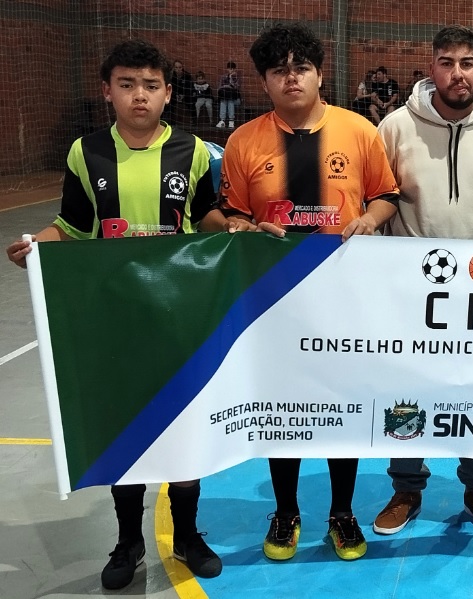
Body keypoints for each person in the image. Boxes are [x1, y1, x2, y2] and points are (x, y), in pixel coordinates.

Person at [5, 38, 225, 591]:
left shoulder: (194, 151)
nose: (139, 95)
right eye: (127, 85)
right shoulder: (86, 152)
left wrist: (238, 229)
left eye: (151, 85)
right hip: (116, 319)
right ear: (108, 92)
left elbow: (207, 216)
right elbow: (74, 226)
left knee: (183, 427)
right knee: (125, 432)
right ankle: (128, 541)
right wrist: (37, 244)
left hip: (179, 316)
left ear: (168, 92)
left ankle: (187, 534)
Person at [219, 22, 400, 562]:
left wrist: (370, 219)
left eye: (301, 68)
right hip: (274, 301)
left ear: (320, 74)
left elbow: (386, 195)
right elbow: (230, 213)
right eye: (279, 71)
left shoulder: (359, 130)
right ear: (265, 82)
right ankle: (286, 511)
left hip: (344, 298)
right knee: (283, 408)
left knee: (341, 406)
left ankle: (342, 512)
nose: (291, 78)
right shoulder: (243, 141)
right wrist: (240, 226)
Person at [373, 25, 473, 536]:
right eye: (446, 62)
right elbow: (380, 200)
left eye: (467, 63)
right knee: (407, 389)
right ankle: (405, 488)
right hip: (411, 290)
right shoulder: (394, 128)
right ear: (431, 68)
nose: (457, 73)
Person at [216, 61, 241, 128]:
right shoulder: (223, 77)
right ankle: (222, 121)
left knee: (230, 101)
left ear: (234, 69)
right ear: (227, 69)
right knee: (223, 100)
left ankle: (231, 121)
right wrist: (226, 86)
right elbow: (220, 87)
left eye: (232, 69)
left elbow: (236, 87)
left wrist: (231, 78)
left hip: (234, 98)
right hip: (225, 96)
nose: (231, 70)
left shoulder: (237, 77)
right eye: (229, 69)